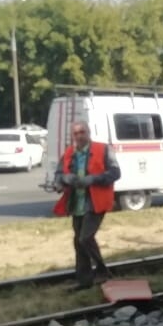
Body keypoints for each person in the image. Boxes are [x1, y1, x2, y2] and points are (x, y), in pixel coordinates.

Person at [53, 121, 121, 291]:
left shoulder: (103, 149)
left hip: (96, 201)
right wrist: (61, 182)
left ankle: (102, 271)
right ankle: (84, 280)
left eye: (82, 132)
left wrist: (92, 179)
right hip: (77, 203)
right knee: (78, 241)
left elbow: (115, 173)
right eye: (75, 133)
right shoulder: (69, 153)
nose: (79, 136)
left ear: (88, 132)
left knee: (85, 238)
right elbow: (59, 174)